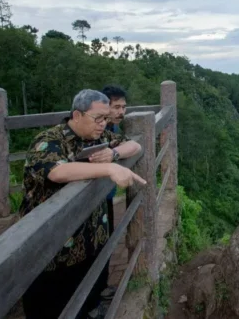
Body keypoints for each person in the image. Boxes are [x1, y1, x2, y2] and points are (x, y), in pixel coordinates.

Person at [19, 89, 145, 319]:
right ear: (77, 116)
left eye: (106, 119)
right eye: (98, 118)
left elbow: (135, 146)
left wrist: (113, 154)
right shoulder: (48, 141)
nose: (103, 124)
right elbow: (56, 172)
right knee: (50, 306)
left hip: (88, 241)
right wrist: (108, 168)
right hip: (52, 250)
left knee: (85, 298)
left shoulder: (100, 138)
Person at [96, 85, 128, 304]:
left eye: (123, 107)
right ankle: (92, 299)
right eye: (116, 107)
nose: (121, 112)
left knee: (104, 241)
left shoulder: (112, 129)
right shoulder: (96, 129)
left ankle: (101, 288)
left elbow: (130, 146)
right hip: (92, 196)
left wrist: (115, 153)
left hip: (105, 194)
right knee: (93, 247)